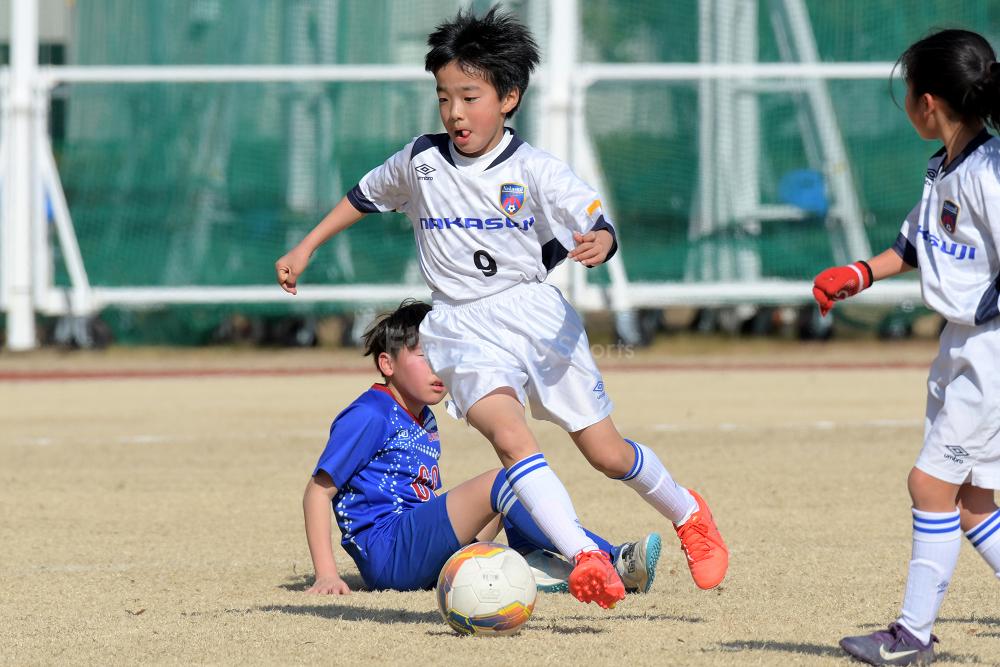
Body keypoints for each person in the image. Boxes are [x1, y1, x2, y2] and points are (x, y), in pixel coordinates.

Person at [279, 5, 727, 609]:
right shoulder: (420, 161)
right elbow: (363, 195)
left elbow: (589, 214)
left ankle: (688, 512)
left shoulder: (534, 168)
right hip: (459, 324)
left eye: (470, 97)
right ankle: (584, 555)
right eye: (444, 98)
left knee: (606, 453)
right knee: (511, 439)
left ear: (508, 97)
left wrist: (602, 238)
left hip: (535, 318)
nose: (455, 113)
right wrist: (306, 246)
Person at [812, 28, 1000, 666]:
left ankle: (912, 637)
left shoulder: (989, 173)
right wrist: (859, 273)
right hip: (961, 348)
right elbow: (914, 244)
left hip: (991, 353)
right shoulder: (944, 167)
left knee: (929, 484)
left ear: (928, 102)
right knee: (972, 506)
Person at [302, 300, 662, 596]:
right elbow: (318, 492)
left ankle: (535, 563)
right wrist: (327, 574)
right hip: (390, 553)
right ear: (387, 363)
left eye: (445, 355)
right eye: (426, 356)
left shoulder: (423, 416)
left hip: (417, 550)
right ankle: (613, 559)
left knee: (516, 486)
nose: (439, 368)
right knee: (505, 481)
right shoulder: (370, 413)